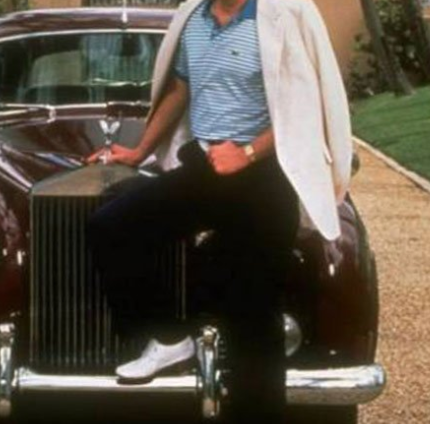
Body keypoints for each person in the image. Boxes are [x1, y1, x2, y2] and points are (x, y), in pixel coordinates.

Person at [86, 0, 352, 421]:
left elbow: (304, 107)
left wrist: (246, 153)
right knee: (112, 227)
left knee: (251, 315)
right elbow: (180, 89)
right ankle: (169, 338)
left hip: (265, 179)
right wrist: (139, 151)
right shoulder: (194, 18)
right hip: (206, 168)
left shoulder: (283, 15)